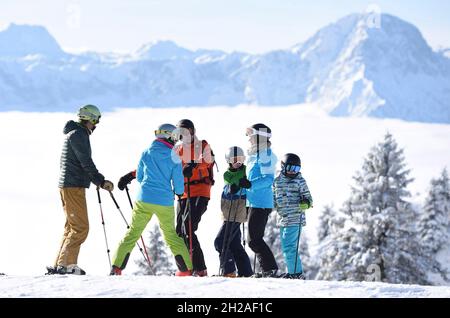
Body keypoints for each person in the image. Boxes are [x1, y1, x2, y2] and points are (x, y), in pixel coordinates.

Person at [111, 124, 193, 276]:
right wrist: (179, 192)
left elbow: (140, 177)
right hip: (164, 202)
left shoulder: (146, 152)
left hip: (144, 199)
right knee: (171, 235)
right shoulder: (174, 156)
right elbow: (178, 180)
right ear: (170, 136)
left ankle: (116, 268)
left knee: (133, 233)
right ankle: (186, 270)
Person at [47, 105, 114, 275]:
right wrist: (100, 181)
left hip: (70, 185)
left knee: (72, 227)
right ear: (89, 119)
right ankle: (66, 265)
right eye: (96, 120)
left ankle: (60, 264)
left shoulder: (75, 133)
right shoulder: (79, 134)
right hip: (73, 185)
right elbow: (85, 161)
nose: (96, 124)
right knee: (81, 227)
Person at [173, 119, 215, 277]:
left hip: (200, 191)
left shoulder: (202, 145)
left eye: (185, 131)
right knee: (179, 231)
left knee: (189, 226)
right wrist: (133, 175)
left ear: (192, 131)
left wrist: (194, 165)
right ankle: (185, 268)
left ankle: (200, 268)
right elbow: (164, 166)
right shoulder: (177, 150)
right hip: (183, 194)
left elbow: (209, 160)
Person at [245, 123, 279, 278]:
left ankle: (270, 269)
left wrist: (250, 184)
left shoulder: (265, 155)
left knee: (254, 240)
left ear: (260, 137)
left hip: (261, 203)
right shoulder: (254, 155)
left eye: (251, 135)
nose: (249, 138)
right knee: (253, 239)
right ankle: (268, 269)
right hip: (252, 202)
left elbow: (268, 179)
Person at [214, 146, 253, 278]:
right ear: (229, 160)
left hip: (239, 210)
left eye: (241, 159)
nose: (239, 162)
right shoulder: (227, 174)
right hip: (228, 210)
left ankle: (229, 270)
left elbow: (251, 184)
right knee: (234, 243)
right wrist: (234, 186)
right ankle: (246, 272)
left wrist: (247, 184)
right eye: (235, 159)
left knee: (220, 241)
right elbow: (228, 185)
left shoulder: (247, 171)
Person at [273, 153, 313, 280]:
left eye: (296, 169)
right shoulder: (277, 182)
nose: (293, 172)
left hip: (295, 217)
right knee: (287, 247)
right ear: (283, 167)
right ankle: (292, 271)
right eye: (290, 168)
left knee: (290, 246)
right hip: (282, 219)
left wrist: (305, 203)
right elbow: (273, 198)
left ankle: (295, 273)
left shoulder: (300, 181)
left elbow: (309, 199)